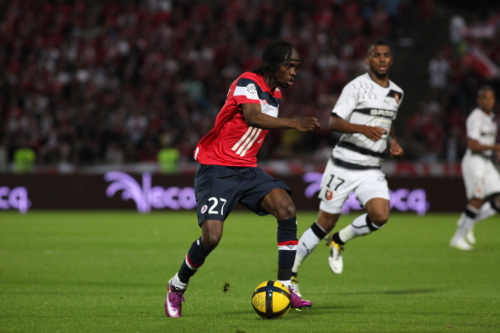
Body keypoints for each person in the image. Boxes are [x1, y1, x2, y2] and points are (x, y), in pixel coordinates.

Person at [165, 40, 320, 317]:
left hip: (247, 169)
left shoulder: (276, 95)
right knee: (211, 238)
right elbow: (252, 117)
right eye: (291, 67)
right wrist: (294, 123)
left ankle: (286, 287)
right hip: (217, 169)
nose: (295, 73)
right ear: (276, 65)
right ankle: (177, 286)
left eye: (297, 68)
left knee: (286, 209)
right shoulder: (247, 82)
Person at [289, 40, 404, 297]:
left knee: (381, 216)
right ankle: (290, 276)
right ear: (368, 60)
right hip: (343, 166)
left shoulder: (397, 92)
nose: (382, 59)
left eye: (387, 55)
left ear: (391, 60)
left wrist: (393, 141)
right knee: (324, 222)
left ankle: (340, 240)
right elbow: (334, 122)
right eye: (377, 55)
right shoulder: (356, 87)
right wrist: (364, 129)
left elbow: (388, 120)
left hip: (372, 168)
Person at [450, 86, 500, 251]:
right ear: (478, 100)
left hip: (486, 162)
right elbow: (472, 145)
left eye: (491, 98)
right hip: (475, 162)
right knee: (477, 199)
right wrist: (495, 147)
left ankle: (468, 219)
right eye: (484, 98)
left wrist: (494, 152)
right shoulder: (476, 118)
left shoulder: (490, 118)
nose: (488, 101)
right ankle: (457, 238)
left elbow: (487, 145)